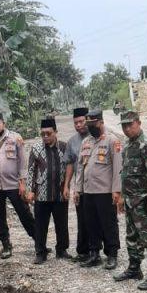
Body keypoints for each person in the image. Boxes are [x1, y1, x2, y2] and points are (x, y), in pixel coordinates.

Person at [113, 110, 147, 290]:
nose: (127, 129)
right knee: (132, 237)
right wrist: (121, 197)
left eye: (130, 125)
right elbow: (125, 174)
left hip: (143, 201)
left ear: (138, 123)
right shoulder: (128, 147)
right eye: (124, 126)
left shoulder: (146, 145)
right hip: (130, 201)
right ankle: (134, 268)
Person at [0, 112, 35, 259]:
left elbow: (22, 161)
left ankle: (38, 241)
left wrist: (23, 182)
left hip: (13, 183)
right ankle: (6, 244)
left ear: (3, 123)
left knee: (24, 212)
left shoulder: (16, 138)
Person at [75, 108, 122, 270]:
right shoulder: (86, 142)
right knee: (91, 223)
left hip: (105, 191)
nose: (89, 126)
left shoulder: (111, 140)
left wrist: (117, 191)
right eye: (88, 124)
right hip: (88, 191)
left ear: (100, 122)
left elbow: (118, 169)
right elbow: (81, 167)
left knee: (108, 223)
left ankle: (112, 254)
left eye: (92, 123)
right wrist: (77, 189)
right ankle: (94, 253)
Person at [26, 117, 70, 265]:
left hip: (60, 193)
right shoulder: (36, 149)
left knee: (62, 223)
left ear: (55, 132)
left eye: (48, 133)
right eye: (43, 134)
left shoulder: (64, 147)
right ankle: (40, 252)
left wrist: (68, 186)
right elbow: (31, 170)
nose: (45, 136)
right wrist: (30, 191)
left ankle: (62, 250)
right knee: (40, 225)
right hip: (42, 194)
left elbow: (70, 168)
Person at [64, 106, 90, 262]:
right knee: (82, 219)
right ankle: (83, 251)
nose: (79, 125)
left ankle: (103, 251)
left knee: (99, 219)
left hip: (98, 187)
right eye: (76, 123)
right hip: (80, 188)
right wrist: (67, 185)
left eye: (81, 121)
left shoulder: (99, 137)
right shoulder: (72, 142)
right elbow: (69, 164)